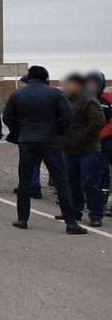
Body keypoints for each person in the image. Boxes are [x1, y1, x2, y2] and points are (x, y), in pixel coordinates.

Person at [2, 65, 86, 234]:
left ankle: (22, 219)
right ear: (45, 78)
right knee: (61, 181)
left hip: (27, 141)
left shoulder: (18, 94)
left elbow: (7, 117)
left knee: (24, 181)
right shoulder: (56, 94)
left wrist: (20, 132)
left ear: (30, 78)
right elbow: (67, 117)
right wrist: (58, 132)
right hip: (51, 141)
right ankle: (71, 223)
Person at [61, 73, 105, 227]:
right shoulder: (66, 101)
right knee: (72, 181)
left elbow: (98, 122)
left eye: (70, 84)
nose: (67, 87)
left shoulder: (89, 100)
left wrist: (80, 137)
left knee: (90, 182)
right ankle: (75, 210)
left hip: (88, 149)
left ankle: (96, 214)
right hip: (69, 149)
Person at [85, 71, 111, 212]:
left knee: (103, 172)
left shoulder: (108, 99)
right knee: (93, 172)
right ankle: (95, 201)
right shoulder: (84, 99)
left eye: (94, 83)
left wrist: (99, 135)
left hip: (106, 142)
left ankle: (103, 201)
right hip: (90, 143)